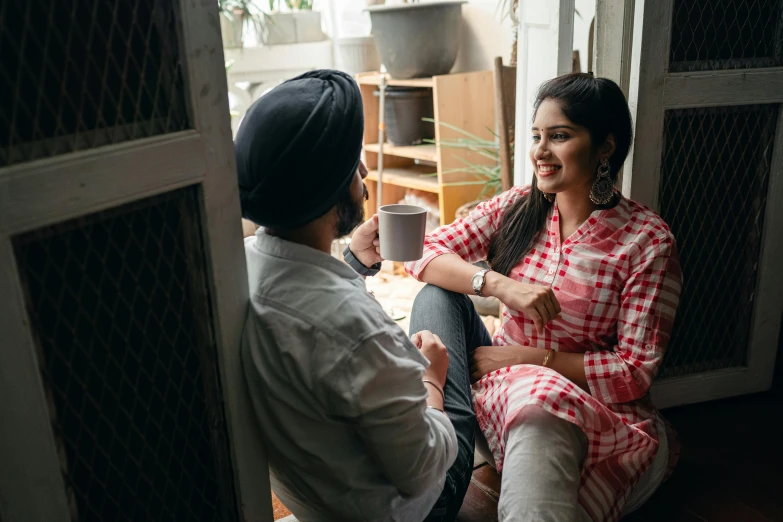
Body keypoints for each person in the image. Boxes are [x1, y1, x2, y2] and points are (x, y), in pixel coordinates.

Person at [405, 73, 682, 522]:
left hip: (586, 413)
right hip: (498, 393)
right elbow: (421, 251)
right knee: (437, 296)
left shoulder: (646, 240)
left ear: (606, 146)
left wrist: (528, 359)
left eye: (559, 136)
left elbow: (634, 373)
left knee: (540, 399)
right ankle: (448, 470)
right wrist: (497, 284)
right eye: (536, 136)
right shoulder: (518, 207)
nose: (540, 151)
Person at [236, 70, 457, 522]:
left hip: (321, 495)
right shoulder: (356, 328)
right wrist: (433, 379)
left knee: (438, 302)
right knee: (444, 305)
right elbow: (423, 469)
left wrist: (352, 264)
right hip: (414, 505)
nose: (364, 171)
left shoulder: (240, 264)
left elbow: (308, 301)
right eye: (352, 163)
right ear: (327, 191)